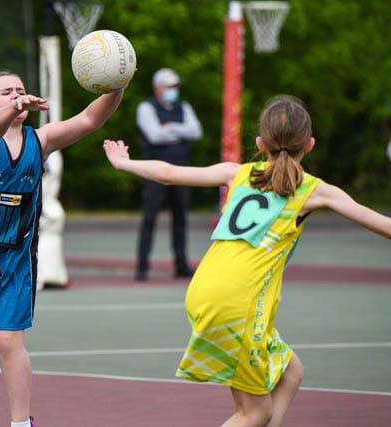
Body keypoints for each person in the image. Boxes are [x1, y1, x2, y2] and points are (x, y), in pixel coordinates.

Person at [103, 95, 391, 427]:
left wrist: (124, 162)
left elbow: (168, 173)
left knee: (290, 372)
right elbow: (385, 226)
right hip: (238, 302)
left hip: (205, 289)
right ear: (310, 145)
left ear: (259, 143)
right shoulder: (313, 190)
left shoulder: (237, 173)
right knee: (255, 413)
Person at [0, 71, 126, 427]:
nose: (17, 95)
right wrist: (13, 108)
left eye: (21, 90)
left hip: (15, 257)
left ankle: (21, 423)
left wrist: (119, 83)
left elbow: (90, 119)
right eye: (7, 92)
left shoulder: (41, 140)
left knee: (8, 340)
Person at [135, 67, 202, 281]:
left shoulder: (184, 107)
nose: (173, 90)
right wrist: (181, 132)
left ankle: (181, 265)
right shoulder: (146, 107)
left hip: (181, 170)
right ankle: (142, 266)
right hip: (154, 171)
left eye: (175, 86)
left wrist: (170, 127)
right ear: (158, 88)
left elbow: (196, 131)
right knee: (150, 217)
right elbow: (154, 135)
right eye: (169, 86)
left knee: (180, 217)